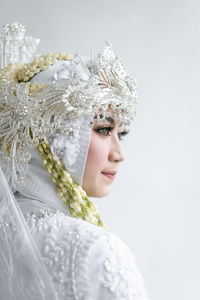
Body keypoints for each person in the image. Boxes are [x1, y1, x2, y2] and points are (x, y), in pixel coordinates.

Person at [0, 22, 149, 300]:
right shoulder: (97, 252)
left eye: (122, 134)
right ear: (51, 132)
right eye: (103, 130)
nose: (119, 153)